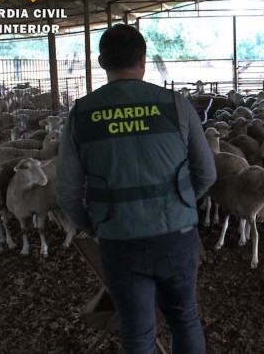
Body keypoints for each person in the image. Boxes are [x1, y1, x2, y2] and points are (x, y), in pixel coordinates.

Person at [57, 24, 216, 354]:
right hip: (176, 235)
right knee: (185, 319)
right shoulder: (176, 105)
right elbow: (207, 173)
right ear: (143, 61)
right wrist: (181, 205)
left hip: (119, 240)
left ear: (101, 62)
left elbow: (68, 192)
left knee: (137, 330)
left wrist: (95, 225)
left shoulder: (81, 114)